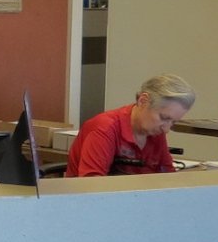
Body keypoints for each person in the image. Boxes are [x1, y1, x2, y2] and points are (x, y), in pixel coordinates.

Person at [66, 73, 195, 177]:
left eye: (173, 122)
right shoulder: (105, 128)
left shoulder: (154, 130)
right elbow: (91, 183)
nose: (166, 129)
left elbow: (168, 176)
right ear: (143, 101)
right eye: (164, 118)